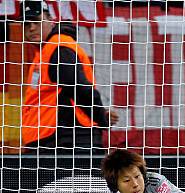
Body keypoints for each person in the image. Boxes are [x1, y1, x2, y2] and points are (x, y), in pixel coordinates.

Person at [19, 1, 118, 154]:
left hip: (66, 142)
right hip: (53, 140)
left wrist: (101, 119)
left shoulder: (59, 48)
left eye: (36, 21)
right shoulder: (46, 51)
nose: (31, 28)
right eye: (26, 24)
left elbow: (79, 88)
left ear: (50, 20)